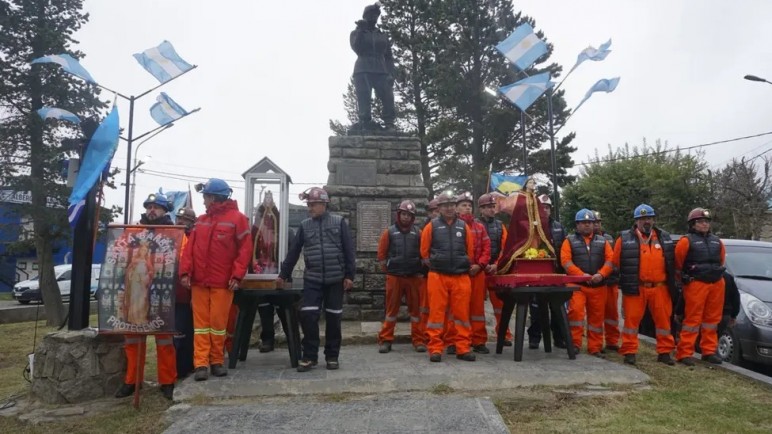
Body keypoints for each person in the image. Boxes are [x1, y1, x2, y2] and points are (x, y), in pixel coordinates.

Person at [180, 178, 252, 381]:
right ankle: (201, 364)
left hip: (223, 283)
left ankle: (216, 361)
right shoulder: (201, 221)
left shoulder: (238, 219)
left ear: (213, 197)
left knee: (218, 325)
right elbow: (189, 251)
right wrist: (185, 273)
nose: (203, 201)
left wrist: (237, 275)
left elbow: (245, 251)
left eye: (205, 197)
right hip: (199, 282)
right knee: (201, 325)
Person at [277, 187, 356, 372]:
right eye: (309, 204)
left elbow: (348, 250)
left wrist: (350, 276)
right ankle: (309, 356)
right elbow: (294, 252)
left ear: (324, 204)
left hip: (335, 280)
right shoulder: (304, 226)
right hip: (312, 280)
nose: (310, 208)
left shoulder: (339, 222)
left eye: (313, 204)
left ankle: (332, 356)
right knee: (308, 316)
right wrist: (283, 274)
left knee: (334, 319)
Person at [115, 192, 177, 400]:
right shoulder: (132, 231)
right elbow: (119, 254)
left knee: (164, 339)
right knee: (133, 337)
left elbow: (182, 257)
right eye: (149, 206)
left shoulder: (174, 233)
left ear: (165, 210)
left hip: (161, 290)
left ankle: (167, 381)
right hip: (135, 290)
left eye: (156, 207)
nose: (152, 210)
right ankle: (132, 381)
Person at [613, 204, 677, 366]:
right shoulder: (624, 238)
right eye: (642, 219)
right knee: (631, 322)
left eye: (648, 218)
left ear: (654, 220)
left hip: (660, 287)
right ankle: (629, 351)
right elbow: (615, 263)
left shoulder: (664, 237)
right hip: (636, 287)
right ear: (636, 221)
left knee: (664, 322)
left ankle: (664, 352)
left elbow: (673, 262)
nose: (646, 222)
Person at [420, 191, 476, 362]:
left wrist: (463, 263)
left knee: (462, 315)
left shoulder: (463, 226)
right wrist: (437, 263)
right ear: (440, 208)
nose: (449, 208)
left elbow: (470, 251)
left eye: (452, 204)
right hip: (438, 276)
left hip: (460, 276)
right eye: (445, 205)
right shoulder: (432, 226)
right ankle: (436, 348)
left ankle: (463, 348)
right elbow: (424, 252)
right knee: (436, 314)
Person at [674, 208, 726, 366]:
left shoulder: (717, 241)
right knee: (693, 319)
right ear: (692, 224)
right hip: (696, 283)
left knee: (712, 319)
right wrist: (683, 281)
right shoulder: (686, 241)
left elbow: (721, 261)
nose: (704, 224)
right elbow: (678, 264)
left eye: (706, 222)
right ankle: (684, 352)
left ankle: (709, 351)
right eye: (700, 222)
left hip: (716, 283)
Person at [561, 209, 614, 356]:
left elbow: (611, 260)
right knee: (575, 315)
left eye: (590, 222)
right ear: (577, 225)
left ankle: (595, 347)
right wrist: (581, 275)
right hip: (577, 286)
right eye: (583, 223)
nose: (587, 225)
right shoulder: (569, 240)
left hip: (599, 286)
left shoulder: (603, 241)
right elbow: (566, 262)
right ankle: (575, 344)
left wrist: (601, 274)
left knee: (597, 318)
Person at [443, 191, 491, 354]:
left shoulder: (480, 228)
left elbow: (486, 249)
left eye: (469, 205)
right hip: (459, 274)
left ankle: (478, 340)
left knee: (477, 310)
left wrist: (480, 265)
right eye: (463, 205)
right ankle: (452, 341)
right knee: (455, 309)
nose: (467, 208)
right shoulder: (451, 227)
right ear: (456, 208)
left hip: (477, 273)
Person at [377, 200, 427, 353]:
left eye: (409, 215)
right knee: (391, 311)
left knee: (416, 312)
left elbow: (423, 253)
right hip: (395, 277)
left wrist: (420, 270)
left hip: (413, 277)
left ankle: (418, 340)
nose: (406, 217)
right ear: (399, 215)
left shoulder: (418, 233)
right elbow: (381, 254)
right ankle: (386, 340)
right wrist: (389, 270)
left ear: (413, 217)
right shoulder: (389, 232)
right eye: (404, 214)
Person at [527, 194, 567, 349]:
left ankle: (559, 338)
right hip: (536, 273)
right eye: (541, 207)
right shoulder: (531, 227)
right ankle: (534, 338)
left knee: (557, 307)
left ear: (550, 209)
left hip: (556, 272)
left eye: (547, 207)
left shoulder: (559, 227)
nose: (544, 210)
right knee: (536, 307)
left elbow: (565, 249)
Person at [350, 2, 395, 132]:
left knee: (387, 95)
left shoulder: (382, 35)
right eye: (371, 15)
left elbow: (389, 56)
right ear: (365, 16)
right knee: (364, 96)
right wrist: (360, 31)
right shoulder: (356, 33)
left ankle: (389, 123)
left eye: (376, 16)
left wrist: (391, 73)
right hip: (363, 67)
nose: (374, 18)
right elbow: (357, 48)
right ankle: (365, 122)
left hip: (381, 69)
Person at [496, 178, 555, 274]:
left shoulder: (535, 198)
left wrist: (538, 222)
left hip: (535, 228)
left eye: (534, 183)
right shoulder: (520, 197)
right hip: (523, 226)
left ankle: (535, 259)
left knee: (535, 242)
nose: (532, 184)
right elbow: (518, 213)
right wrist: (527, 223)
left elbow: (540, 213)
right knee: (522, 244)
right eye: (530, 183)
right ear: (526, 184)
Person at [478, 193, 512, 346]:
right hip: (479, 270)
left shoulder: (500, 226)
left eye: (493, 206)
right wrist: (481, 264)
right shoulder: (474, 224)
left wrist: (497, 264)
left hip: (496, 269)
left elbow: (505, 248)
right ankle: (477, 338)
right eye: (488, 207)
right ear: (481, 209)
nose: (492, 209)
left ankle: (504, 334)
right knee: (476, 306)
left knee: (500, 305)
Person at [173, 207, 196, 379]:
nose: (180, 222)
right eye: (179, 219)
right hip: (173, 295)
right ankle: (178, 369)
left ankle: (188, 366)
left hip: (192, 294)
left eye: (184, 219)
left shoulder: (195, 239)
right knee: (177, 334)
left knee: (190, 332)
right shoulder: (171, 239)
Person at [593, 210, 620, 352]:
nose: (597, 225)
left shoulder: (609, 238)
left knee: (612, 314)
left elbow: (615, 259)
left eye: (598, 222)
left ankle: (612, 341)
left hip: (611, 281)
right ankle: (597, 342)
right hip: (597, 281)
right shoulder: (587, 239)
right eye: (594, 222)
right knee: (597, 314)